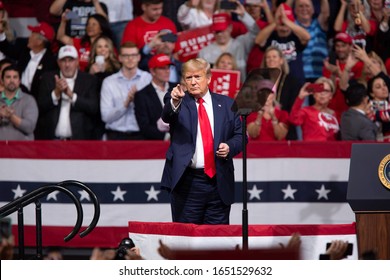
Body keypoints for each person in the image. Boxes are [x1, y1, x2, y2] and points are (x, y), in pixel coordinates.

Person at [160, 58, 243, 224]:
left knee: (216, 240)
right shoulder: (178, 100)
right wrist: (175, 101)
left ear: (209, 78)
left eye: (197, 77)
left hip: (218, 183)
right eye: (188, 78)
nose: (193, 82)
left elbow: (241, 136)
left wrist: (229, 147)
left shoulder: (227, 104)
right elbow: (167, 115)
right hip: (187, 183)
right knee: (186, 243)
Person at [36, 45, 99, 140]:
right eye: (63, 60)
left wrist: (71, 95)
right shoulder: (47, 78)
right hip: (52, 141)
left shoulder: (89, 80)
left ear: (77, 62)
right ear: (58, 62)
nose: (67, 65)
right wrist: (56, 93)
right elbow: (39, 107)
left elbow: (93, 107)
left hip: (79, 141)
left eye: (71, 60)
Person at [100, 42, 152, 140]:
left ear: (139, 57)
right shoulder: (109, 82)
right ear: (120, 58)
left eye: (133, 55)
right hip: (115, 136)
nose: (130, 59)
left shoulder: (148, 79)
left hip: (141, 136)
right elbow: (105, 117)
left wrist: (139, 100)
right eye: (126, 56)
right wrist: (125, 104)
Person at [198, 2, 259, 81]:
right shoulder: (204, 52)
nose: (220, 34)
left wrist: (244, 15)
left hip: (239, 91)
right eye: (217, 31)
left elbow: (256, 33)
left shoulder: (241, 43)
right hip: (214, 91)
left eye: (223, 30)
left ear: (230, 28)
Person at [255, 3, 311, 86]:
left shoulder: (296, 36)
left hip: (296, 81)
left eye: (286, 23)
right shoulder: (271, 35)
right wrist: (275, 23)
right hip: (273, 82)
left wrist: (287, 21)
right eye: (282, 23)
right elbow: (258, 41)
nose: (283, 25)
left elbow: (307, 37)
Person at [0, 22, 58, 100]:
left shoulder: (50, 62)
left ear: (39, 42)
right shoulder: (25, 50)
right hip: (14, 98)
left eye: (32, 34)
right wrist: (1, 33)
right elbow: (8, 49)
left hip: (35, 102)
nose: (29, 36)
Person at [134, 54, 175, 140]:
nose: (167, 71)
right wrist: (166, 137)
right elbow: (144, 126)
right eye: (162, 68)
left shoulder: (177, 88)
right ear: (152, 71)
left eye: (168, 67)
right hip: (156, 144)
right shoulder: (141, 95)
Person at [289, 77, 340, 141]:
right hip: (312, 149)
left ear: (331, 96)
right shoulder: (306, 111)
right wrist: (300, 97)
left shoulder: (335, 114)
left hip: (331, 150)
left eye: (326, 91)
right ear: (314, 94)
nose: (322, 93)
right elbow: (293, 120)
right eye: (319, 90)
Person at [294, 0, 330, 83]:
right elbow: (284, 11)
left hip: (319, 75)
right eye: (301, 6)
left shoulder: (319, 24)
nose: (304, 9)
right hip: (300, 76)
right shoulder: (292, 26)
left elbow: (325, 13)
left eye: (307, 6)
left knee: (319, 96)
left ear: (313, 9)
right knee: (301, 96)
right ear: (295, 10)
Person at [0, 65, 38, 140]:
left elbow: (29, 127)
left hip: (22, 150)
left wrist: (11, 116)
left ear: (19, 81)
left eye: (15, 77)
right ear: (2, 80)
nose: (11, 80)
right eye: (8, 77)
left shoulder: (29, 100)